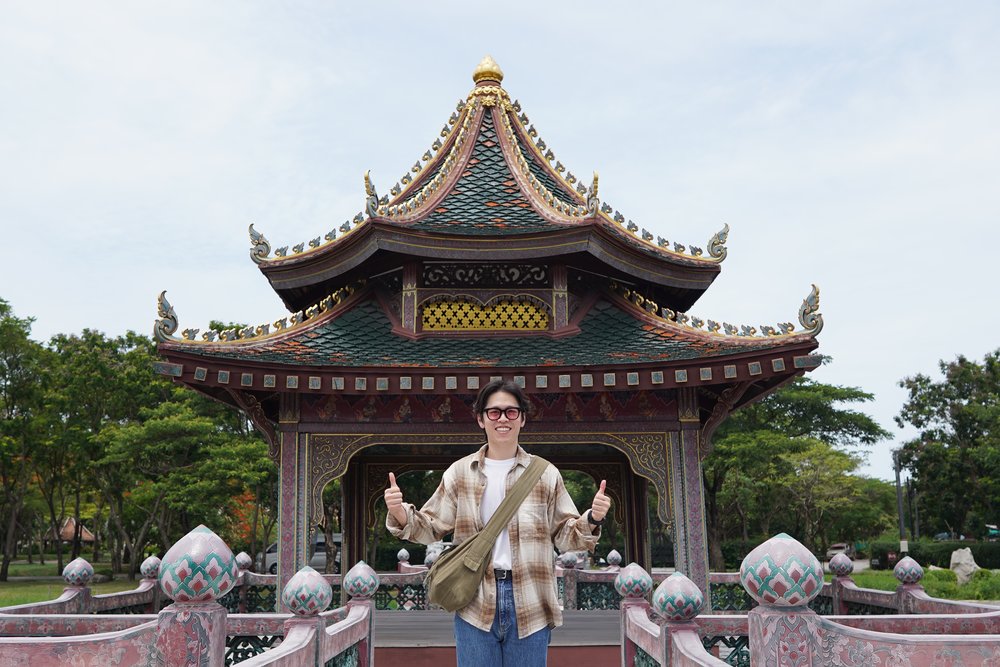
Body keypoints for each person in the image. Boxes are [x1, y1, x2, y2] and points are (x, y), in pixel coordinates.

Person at [384, 379, 611, 666]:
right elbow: (430, 526)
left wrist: (593, 518)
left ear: (522, 419)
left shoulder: (546, 474)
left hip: (531, 597)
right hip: (474, 598)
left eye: (511, 412)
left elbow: (564, 536)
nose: (502, 419)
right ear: (481, 419)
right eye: (494, 412)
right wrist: (400, 513)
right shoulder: (460, 473)